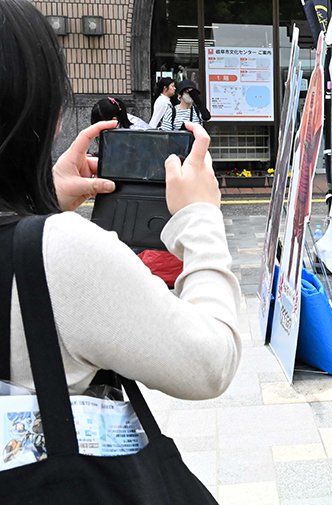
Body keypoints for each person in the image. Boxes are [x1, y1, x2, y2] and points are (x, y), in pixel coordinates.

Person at [2, 1, 240, 409]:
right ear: (38, 107)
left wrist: (35, 202)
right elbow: (209, 363)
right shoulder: (65, 252)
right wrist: (199, 216)